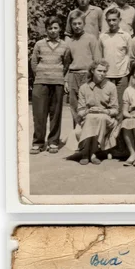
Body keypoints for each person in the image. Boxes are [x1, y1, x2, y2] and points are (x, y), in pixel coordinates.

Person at [30, 16, 70, 154]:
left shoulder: (65, 45)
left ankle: (53, 142)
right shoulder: (39, 44)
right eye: (50, 28)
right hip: (41, 82)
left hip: (57, 83)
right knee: (39, 114)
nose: (53, 31)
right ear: (46, 29)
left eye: (55, 28)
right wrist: (41, 75)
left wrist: (58, 76)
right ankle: (38, 142)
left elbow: (66, 64)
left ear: (60, 29)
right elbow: (34, 62)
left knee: (56, 114)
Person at [73, 60, 120, 165]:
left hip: (107, 119)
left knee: (100, 118)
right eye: (99, 71)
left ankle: (90, 152)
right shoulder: (84, 88)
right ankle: (88, 153)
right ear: (92, 71)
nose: (102, 74)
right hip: (88, 118)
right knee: (91, 117)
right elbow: (80, 111)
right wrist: (88, 111)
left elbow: (115, 110)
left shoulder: (111, 87)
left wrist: (104, 111)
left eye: (104, 71)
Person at [65, 12, 101, 127]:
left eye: (79, 23)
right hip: (73, 75)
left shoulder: (91, 39)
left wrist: (95, 77)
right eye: (74, 24)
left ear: (84, 24)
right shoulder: (69, 42)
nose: (77, 26)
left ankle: (88, 131)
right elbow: (66, 63)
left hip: (87, 75)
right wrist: (66, 80)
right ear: (70, 25)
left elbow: (97, 60)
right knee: (74, 105)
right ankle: (77, 131)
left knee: (88, 104)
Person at [99, 8, 132, 112]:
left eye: (114, 20)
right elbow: (100, 57)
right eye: (109, 20)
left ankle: (120, 127)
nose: (111, 23)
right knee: (106, 103)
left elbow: (130, 55)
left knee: (121, 104)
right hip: (107, 75)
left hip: (121, 75)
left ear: (119, 20)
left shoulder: (126, 36)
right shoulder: (103, 36)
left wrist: (126, 70)